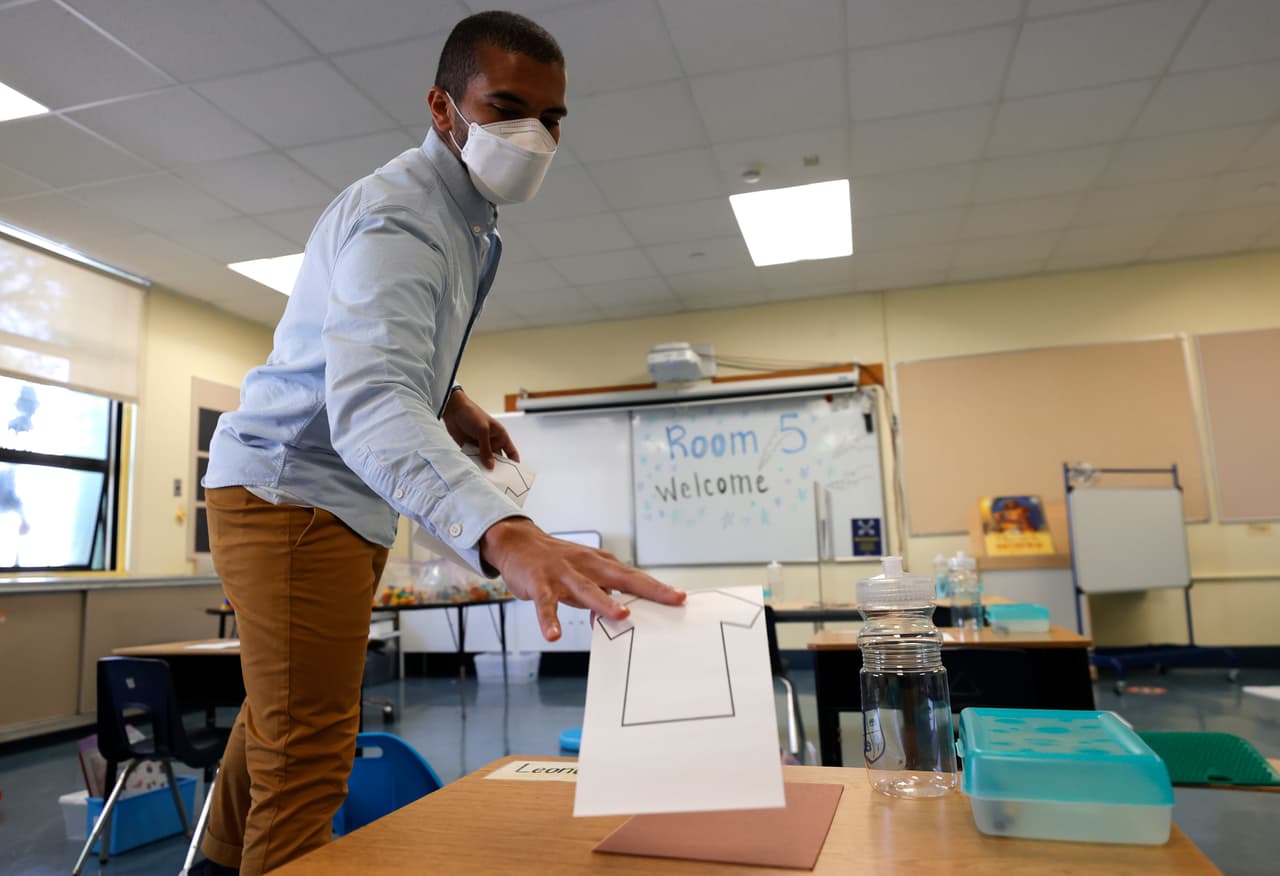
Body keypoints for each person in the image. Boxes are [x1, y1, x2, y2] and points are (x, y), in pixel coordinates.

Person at [197, 12, 684, 875]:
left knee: (281, 721)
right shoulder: (405, 219)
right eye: (506, 107)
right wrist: (507, 532)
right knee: (308, 751)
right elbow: (372, 397)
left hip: (317, 494)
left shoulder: (462, 218)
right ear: (443, 106)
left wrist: (450, 398)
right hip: (295, 493)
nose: (534, 135)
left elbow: (383, 349)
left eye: (553, 117)